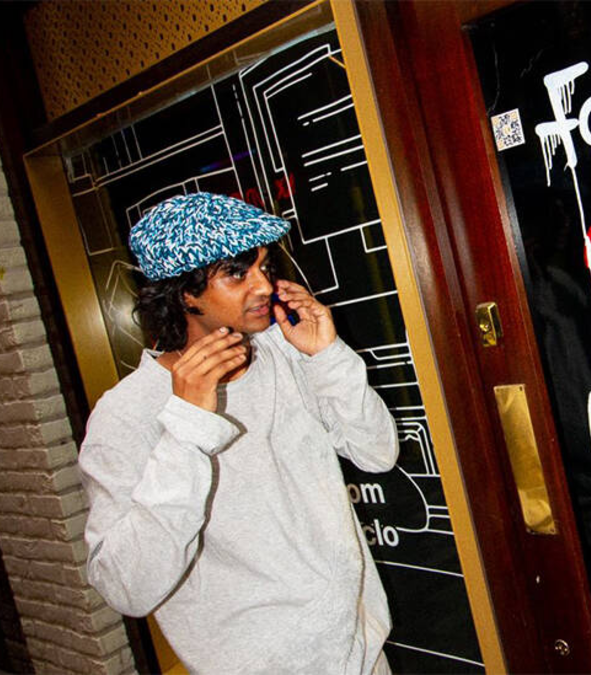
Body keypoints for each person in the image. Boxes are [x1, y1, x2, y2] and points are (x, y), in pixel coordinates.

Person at [78, 192, 399, 674]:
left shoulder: (284, 351)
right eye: (236, 273)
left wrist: (326, 356)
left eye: (264, 267)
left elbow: (377, 453)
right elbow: (126, 586)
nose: (264, 285)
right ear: (185, 293)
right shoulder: (127, 413)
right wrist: (187, 426)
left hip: (360, 652)